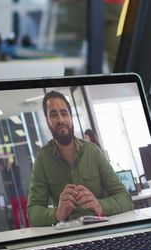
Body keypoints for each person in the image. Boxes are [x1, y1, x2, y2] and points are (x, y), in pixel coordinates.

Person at [27, 91, 132, 226]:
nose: (60, 120)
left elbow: (125, 199)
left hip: (101, 229)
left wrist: (99, 205)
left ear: (71, 117)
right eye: (53, 115)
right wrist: (57, 213)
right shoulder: (42, 159)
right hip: (67, 235)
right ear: (47, 121)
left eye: (64, 113)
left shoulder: (93, 152)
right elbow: (33, 213)